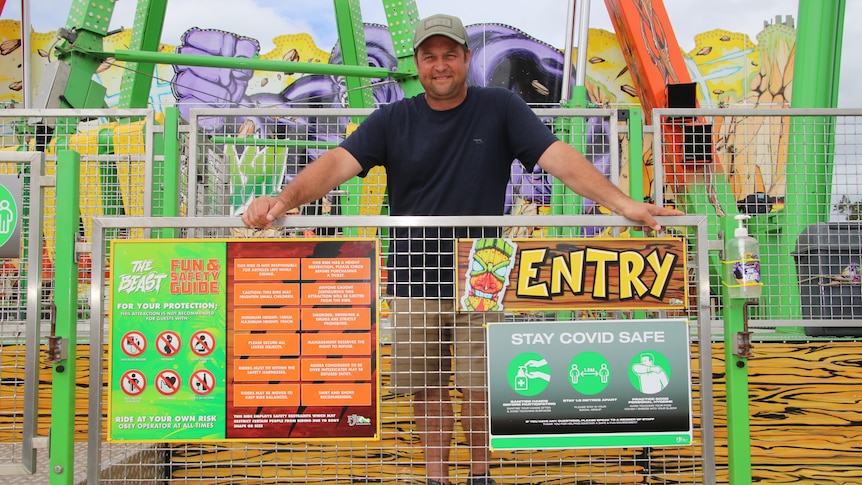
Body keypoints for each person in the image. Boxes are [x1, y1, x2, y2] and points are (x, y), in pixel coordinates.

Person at [241, 13, 684, 485]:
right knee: (426, 388)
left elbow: (563, 161)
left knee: (478, 387)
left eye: (450, 54)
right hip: (414, 274)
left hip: (482, 271)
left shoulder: (500, 108)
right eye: (430, 56)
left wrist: (623, 203)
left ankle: (479, 476)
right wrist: (281, 201)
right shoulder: (393, 118)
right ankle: (436, 477)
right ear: (418, 62)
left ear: (466, 59)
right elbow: (334, 164)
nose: (440, 65)